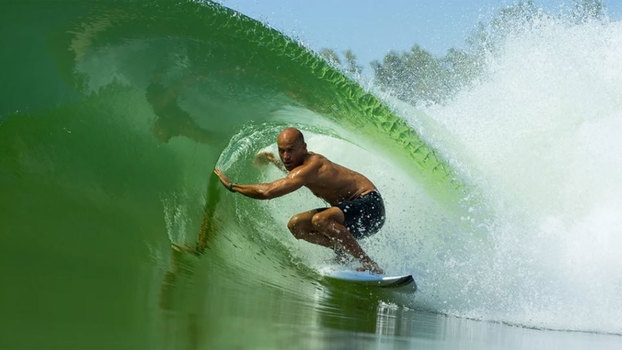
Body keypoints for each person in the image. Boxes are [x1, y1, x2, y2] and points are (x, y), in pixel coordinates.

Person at [213, 127, 385, 274]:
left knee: (321, 219)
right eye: (281, 151)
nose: (286, 156)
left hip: (370, 206)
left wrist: (232, 186)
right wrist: (273, 160)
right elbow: (293, 177)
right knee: (296, 225)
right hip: (351, 217)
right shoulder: (301, 169)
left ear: (304, 148)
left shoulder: (313, 164)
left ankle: (367, 262)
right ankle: (343, 252)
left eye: (291, 150)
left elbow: (268, 191)